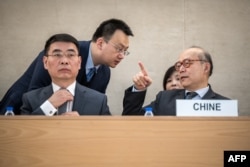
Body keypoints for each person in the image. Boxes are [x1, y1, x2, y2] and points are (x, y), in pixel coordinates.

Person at [0, 18, 133, 115]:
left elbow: (93, 107)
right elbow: (36, 94)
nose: (122, 56)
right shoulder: (60, 53)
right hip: (16, 111)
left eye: (125, 51)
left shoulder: (105, 72)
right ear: (100, 43)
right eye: (119, 49)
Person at [122, 46, 230, 116]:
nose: (181, 69)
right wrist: (139, 89)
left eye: (187, 63)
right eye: (179, 65)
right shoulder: (164, 98)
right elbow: (132, 120)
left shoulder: (224, 105)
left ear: (205, 68)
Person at [21, 33, 111, 116]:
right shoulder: (30, 99)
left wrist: (83, 124)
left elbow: (109, 132)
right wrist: (48, 106)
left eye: (71, 55)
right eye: (57, 55)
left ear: (79, 62)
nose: (64, 61)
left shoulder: (99, 101)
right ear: (45, 62)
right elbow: (22, 131)